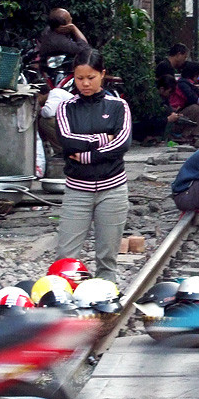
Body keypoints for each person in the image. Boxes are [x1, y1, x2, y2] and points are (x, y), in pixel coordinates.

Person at [55, 49, 132, 282]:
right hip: (77, 191)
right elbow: (67, 141)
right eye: (79, 79)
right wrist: (102, 139)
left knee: (107, 258)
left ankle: (105, 298)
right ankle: (63, 299)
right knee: (65, 256)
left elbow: (122, 143)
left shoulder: (118, 106)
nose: (85, 84)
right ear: (73, 78)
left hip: (113, 191)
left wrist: (87, 155)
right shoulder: (66, 108)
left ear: (102, 75)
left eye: (91, 77)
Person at [37, 85, 73, 157]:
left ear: (40, 95)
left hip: (77, 126)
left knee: (45, 122)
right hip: (75, 123)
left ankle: (63, 151)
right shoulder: (57, 93)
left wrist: (39, 111)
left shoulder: (55, 93)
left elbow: (48, 112)